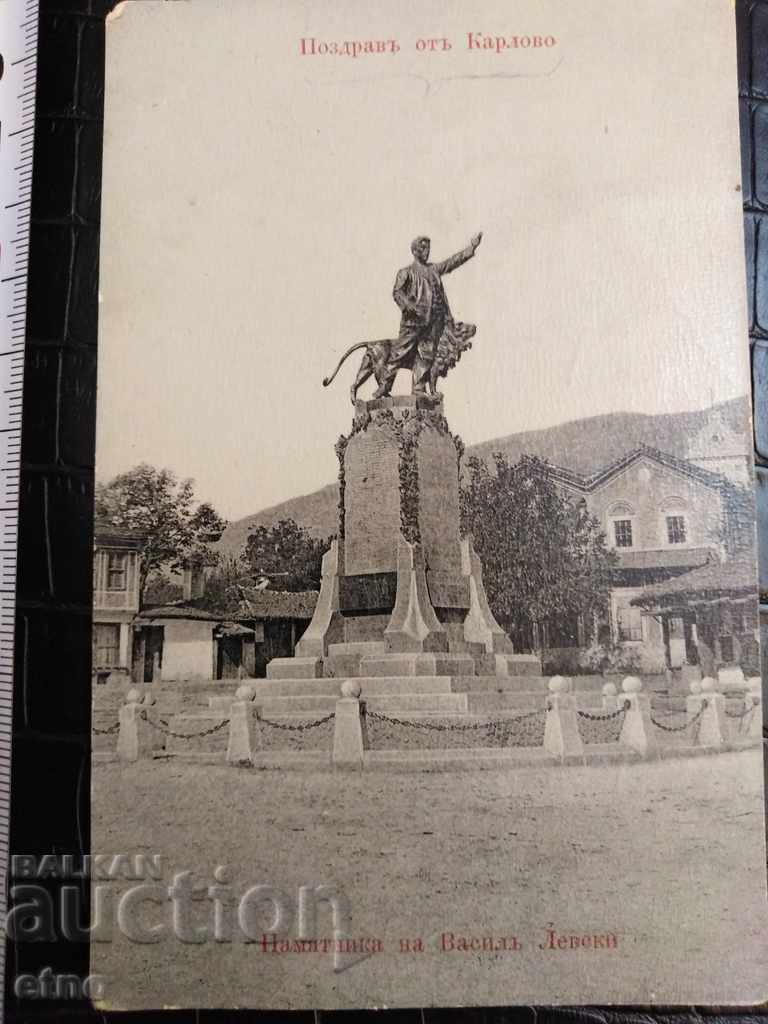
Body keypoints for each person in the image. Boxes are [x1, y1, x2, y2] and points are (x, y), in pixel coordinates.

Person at [374, 232, 482, 397]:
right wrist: (409, 306)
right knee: (399, 353)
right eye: (423, 248)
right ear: (415, 251)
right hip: (413, 322)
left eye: (428, 248)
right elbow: (397, 292)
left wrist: (471, 248)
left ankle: (418, 388)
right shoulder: (406, 272)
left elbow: (451, 263)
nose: (427, 251)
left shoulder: (433, 269)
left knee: (426, 355)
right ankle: (384, 386)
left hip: (433, 322)